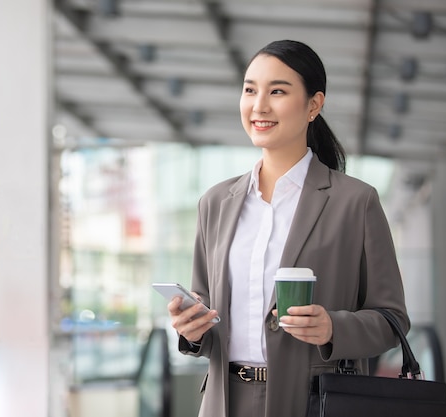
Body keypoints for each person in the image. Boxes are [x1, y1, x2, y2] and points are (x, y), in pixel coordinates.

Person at [167, 39, 409, 417]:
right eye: (250, 90)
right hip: (223, 403)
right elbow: (206, 312)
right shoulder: (215, 203)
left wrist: (333, 328)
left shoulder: (355, 202)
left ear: (314, 104)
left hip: (313, 402)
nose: (259, 105)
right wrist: (191, 331)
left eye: (277, 91)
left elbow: (393, 320)